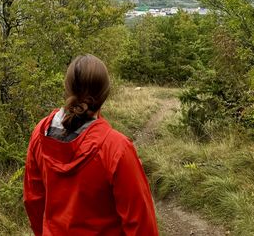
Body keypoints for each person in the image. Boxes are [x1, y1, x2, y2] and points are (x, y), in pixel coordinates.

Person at [23, 54, 158, 235]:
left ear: (67, 89)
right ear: (104, 94)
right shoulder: (116, 148)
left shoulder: (40, 134)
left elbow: (33, 200)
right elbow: (141, 223)